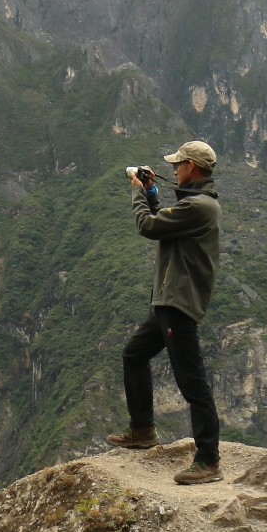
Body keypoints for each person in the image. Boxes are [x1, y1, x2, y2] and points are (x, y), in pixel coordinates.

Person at [108, 140, 224, 484]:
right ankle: (142, 430)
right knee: (134, 354)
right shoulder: (197, 206)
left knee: (193, 384)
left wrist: (138, 194)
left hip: (178, 305)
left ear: (192, 167)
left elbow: (150, 226)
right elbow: (167, 221)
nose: (174, 169)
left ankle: (208, 461)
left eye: (178, 164)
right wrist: (154, 193)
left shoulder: (200, 207)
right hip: (167, 303)